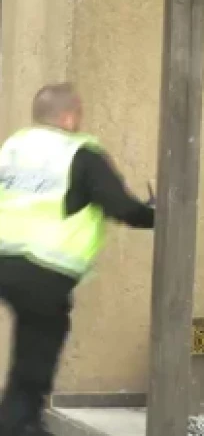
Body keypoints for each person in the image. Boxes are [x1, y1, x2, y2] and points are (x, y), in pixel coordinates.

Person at [0, 83, 155, 436]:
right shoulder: (80, 153)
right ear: (69, 117)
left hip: (3, 258)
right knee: (40, 345)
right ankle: (19, 425)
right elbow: (120, 207)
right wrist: (155, 215)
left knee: (32, 336)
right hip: (44, 268)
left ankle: (16, 419)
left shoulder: (13, 148)